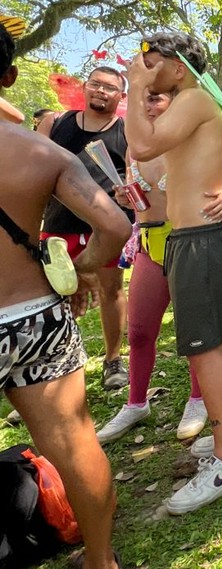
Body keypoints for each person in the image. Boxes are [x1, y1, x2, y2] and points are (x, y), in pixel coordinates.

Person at [0, 24, 132, 569]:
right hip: (37, 317)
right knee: (74, 439)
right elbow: (115, 224)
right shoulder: (42, 153)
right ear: (8, 76)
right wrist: (82, 272)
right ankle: (101, 568)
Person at [125, 31, 222, 515]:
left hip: (199, 241)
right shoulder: (202, 104)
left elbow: (140, 144)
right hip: (198, 239)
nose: (145, 70)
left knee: (205, 349)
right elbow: (174, 167)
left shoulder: (196, 99)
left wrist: (134, 87)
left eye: (153, 63)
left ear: (179, 67)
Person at [37, 65, 131, 389]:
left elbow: (134, 175)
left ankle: (113, 360)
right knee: (52, 297)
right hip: (58, 225)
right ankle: (53, 369)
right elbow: (34, 169)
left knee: (111, 290)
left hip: (104, 228)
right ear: (85, 87)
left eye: (109, 87)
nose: (101, 91)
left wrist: (129, 193)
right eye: (95, 84)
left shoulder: (127, 130)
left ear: (121, 95)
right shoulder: (56, 122)